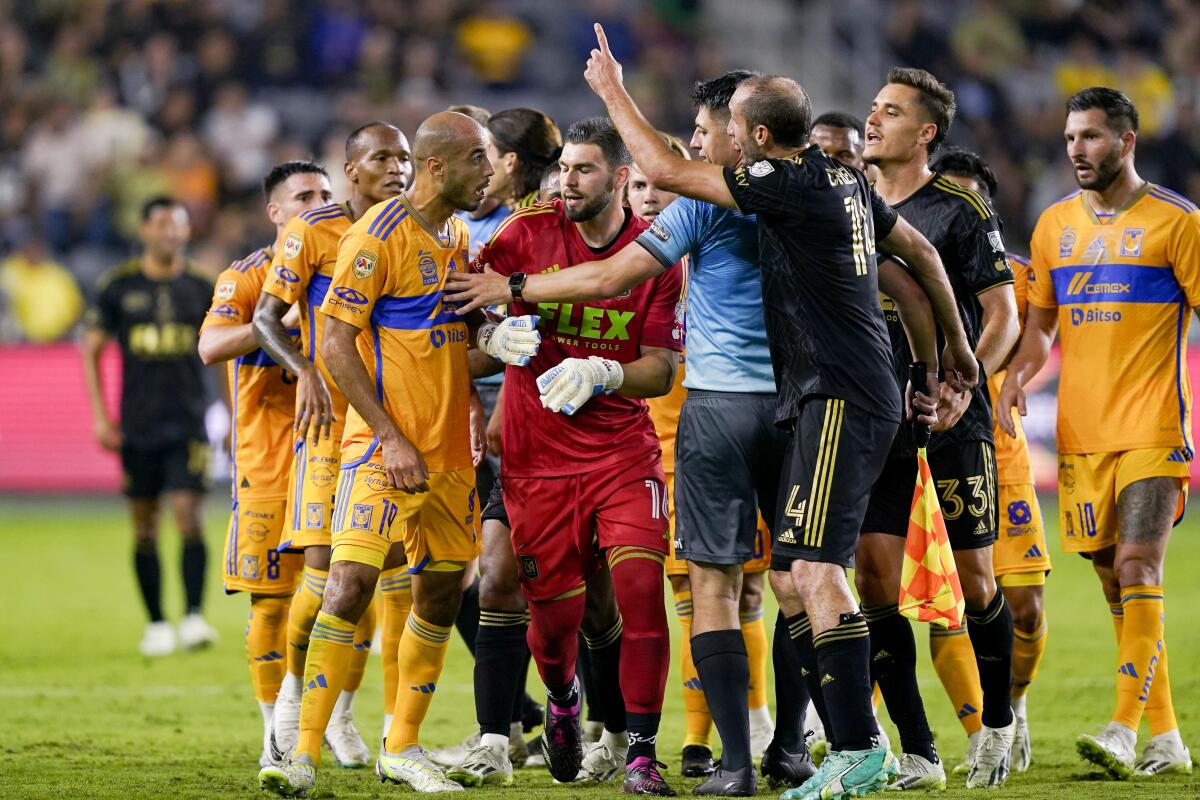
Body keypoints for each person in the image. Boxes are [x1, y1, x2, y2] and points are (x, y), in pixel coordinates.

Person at [580, 27, 978, 800]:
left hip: (834, 395)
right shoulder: (845, 180)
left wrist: (610, 91)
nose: (721, 137)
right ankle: (844, 746)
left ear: (759, 138)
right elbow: (917, 263)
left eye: (729, 126)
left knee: (815, 570)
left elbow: (659, 172)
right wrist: (945, 358)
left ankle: (858, 749)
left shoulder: (783, 184)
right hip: (842, 393)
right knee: (805, 571)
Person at [259, 110, 530, 796]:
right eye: (478, 160)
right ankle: (301, 754)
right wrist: (387, 434)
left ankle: (400, 745)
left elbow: (452, 345)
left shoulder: (457, 237)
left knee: (438, 594)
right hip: (380, 449)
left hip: (446, 456)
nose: (488, 173)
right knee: (348, 586)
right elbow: (333, 345)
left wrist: (494, 347)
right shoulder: (375, 238)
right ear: (439, 166)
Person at [453, 116, 684, 797]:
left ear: (618, 178)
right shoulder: (523, 233)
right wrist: (492, 341)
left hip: (621, 453)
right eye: (563, 169)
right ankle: (561, 701)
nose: (566, 181)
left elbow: (661, 368)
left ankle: (641, 754)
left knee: (640, 592)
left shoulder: (654, 253)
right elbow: (464, 317)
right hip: (535, 461)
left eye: (583, 170)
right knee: (552, 630)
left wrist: (606, 373)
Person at [998, 87, 1197, 780]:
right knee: (1119, 588)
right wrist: (1020, 372)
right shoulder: (1054, 226)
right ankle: (1167, 737)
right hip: (1083, 435)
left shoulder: (1179, 222)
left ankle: (1121, 728)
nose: (1076, 149)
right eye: (1069, 137)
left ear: (1127, 141)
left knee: (1141, 569)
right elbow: (1043, 322)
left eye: (1090, 137)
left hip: (1154, 427)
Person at [859, 68, 1020, 790]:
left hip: (952, 419)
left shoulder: (957, 208)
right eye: (873, 108)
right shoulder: (847, 198)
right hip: (869, 418)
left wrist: (962, 387)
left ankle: (997, 725)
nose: (873, 120)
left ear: (924, 132)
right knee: (874, 584)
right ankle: (919, 751)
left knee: (978, 582)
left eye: (889, 112)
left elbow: (1004, 315)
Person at [252, 122, 411, 768]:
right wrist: (308, 367)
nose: (397, 168)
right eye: (382, 157)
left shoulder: (412, 226)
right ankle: (290, 706)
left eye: (404, 157)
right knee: (324, 574)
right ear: (351, 169)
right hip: (329, 425)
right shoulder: (311, 231)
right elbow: (266, 318)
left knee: (386, 579)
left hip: (394, 425)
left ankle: (353, 719)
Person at [630, 131, 779, 775]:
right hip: (653, 453)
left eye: (662, 184)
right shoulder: (639, 269)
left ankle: (757, 724)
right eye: (639, 186)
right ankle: (694, 737)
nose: (652, 196)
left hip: (724, 432)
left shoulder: (727, 243)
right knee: (686, 594)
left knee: (748, 592)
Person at [196, 160, 332, 767]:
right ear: (275, 212)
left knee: (340, 593)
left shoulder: (345, 266)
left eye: (327, 194)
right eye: (305, 196)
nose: (320, 203)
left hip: (332, 453)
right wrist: (274, 323)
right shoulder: (248, 276)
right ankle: (273, 730)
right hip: (269, 460)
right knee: (272, 603)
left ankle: (341, 718)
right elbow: (210, 346)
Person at [927, 145, 1053, 776]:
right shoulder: (907, 260)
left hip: (1000, 448)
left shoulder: (1021, 277)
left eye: (967, 196)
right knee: (946, 602)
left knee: (1024, 605)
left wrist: (1014, 382)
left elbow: (1036, 344)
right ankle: (981, 730)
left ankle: (1014, 704)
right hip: (936, 439)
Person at [82, 196, 218, 657]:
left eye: (177, 225)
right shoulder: (119, 287)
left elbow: (222, 351)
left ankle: (195, 617)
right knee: (143, 526)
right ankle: (158, 622)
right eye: (161, 224)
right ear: (144, 230)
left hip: (189, 422)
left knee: (188, 516)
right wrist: (102, 416)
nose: (170, 233)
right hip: (137, 427)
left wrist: (232, 412)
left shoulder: (203, 285)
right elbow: (92, 349)